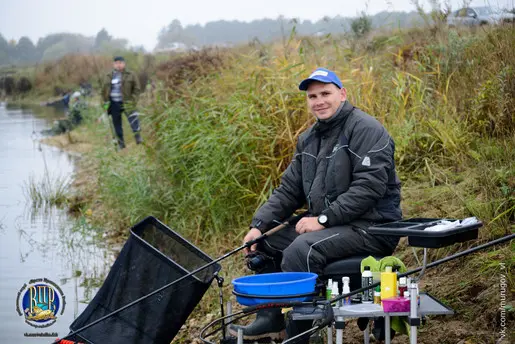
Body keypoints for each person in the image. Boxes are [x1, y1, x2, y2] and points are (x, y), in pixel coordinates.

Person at [229, 68, 402, 341]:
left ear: (342, 94)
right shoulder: (308, 138)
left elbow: (369, 188)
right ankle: (271, 320)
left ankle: (304, 333)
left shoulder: (367, 129)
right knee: (264, 242)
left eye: (325, 93)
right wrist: (258, 225)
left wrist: (322, 220)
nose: (319, 101)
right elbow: (289, 190)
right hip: (333, 224)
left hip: (372, 227)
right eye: (312, 96)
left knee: (301, 249)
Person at [102, 56, 142, 149]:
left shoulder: (131, 74)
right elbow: (103, 91)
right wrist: (105, 103)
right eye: (116, 63)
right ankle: (121, 144)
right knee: (117, 124)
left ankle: (138, 138)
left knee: (134, 120)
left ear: (124, 64)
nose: (118, 65)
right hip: (113, 104)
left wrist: (133, 101)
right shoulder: (108, 76)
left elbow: (137, 89)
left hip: (127, 102)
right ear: (114, 64)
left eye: (120, 63)